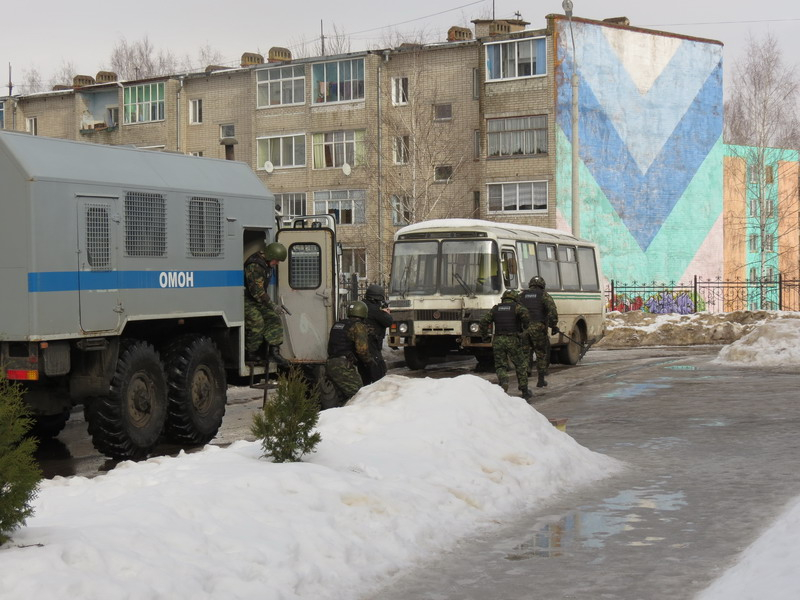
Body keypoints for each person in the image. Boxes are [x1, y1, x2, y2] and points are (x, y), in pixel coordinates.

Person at [479, 289, 532, 399]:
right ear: (515, 298)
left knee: (500, 365)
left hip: (498, 340)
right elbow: (527, 318)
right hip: (513, 339)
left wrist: (484, 336)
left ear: (503, 298)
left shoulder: (495, 309)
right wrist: (523, 330)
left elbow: (483, 322)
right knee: (520, 364)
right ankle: (524, 390)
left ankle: (504, 382)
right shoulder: (518, 307)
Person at [244, 241, 289, 367]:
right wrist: (273, 305)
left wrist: (272, 308)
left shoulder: (265, 264)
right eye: (276, 260)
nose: (276, 263)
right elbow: (257, 292)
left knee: (274, 318)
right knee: (256, 321)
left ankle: (273, 353)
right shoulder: (254, 266)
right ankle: (251, 353)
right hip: (246, 300)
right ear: (269, 256)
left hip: (256, 300)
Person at [325, 300, 375, 403]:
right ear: (363, 313)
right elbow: (362, 350)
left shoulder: (338, 324)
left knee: (342, 399)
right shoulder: (358, 326)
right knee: (359, 396)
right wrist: (369, 361)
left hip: (330, 364)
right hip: (344, 366)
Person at [518, 275, 559, 388]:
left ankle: (524, 379)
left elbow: (515, 311)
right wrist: (553, 325)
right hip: (538, 328)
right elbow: (552, 311)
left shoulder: (521, 296)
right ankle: (541, 380)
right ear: (542, 285)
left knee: (525, 354)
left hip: (524, 329)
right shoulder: (544, 296)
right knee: (541, 353)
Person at [361, 284, 393, 384]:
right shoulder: (375, 309)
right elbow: (388, 321)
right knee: (379, 374)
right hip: (372, 345)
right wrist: (386, 313)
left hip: (360, 345)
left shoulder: (362, 305)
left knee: (364, 374)